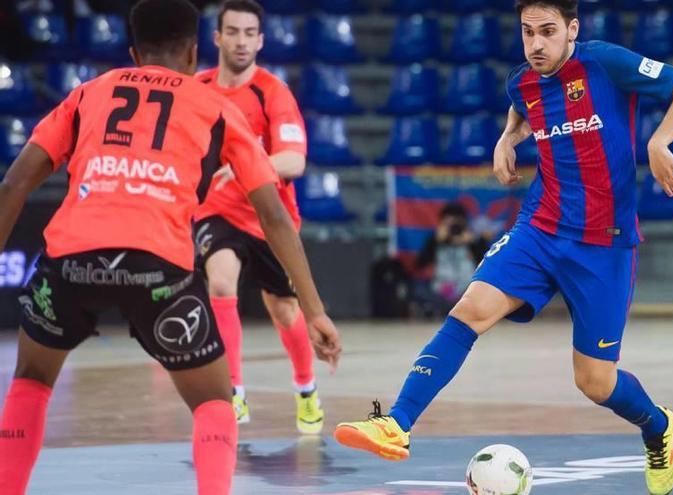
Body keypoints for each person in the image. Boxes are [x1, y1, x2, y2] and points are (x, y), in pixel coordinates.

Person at [334, 1, 673, 494]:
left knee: (595, 382)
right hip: (541, 228)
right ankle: (397, 423)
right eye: (527, 32)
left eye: (548, 31)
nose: (536, 44)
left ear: (571, 29)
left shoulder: (604, 62)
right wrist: (507, 138)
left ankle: (658, 426)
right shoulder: (522, 80)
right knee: (470, 310)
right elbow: (523, 104)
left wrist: (659, 143)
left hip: (603, 245)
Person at [0, 1, 341, 494]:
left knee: (31, 379)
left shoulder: (88, 93)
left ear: (135, 53)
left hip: (70, 259)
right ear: (192, 53)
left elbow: (13, 187)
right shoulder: (216, 106)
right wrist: (314, 310)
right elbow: (274, 215)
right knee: (214, 402)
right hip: (156, 264)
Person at [193, 0, 321, 432]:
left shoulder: (272, 91)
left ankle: (306, 390)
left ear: (261, 40)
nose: (242, 41)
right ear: (217, 37)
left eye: (250, 33)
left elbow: (295, 161)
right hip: (216, 211)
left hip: (269, 218)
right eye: (233, 32)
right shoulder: (198, 88)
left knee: (285, 311)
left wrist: (249, 165)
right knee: (221, 281)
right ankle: (234, 395)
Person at [413, 202, 490, 316]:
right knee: (418, 290)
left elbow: (488, 266)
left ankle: (453, 310)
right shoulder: (435, 240)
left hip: (468, 291)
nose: (454, 228)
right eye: (449, 224)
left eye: (457, 224)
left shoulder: (472, 240)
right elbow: (419, 265)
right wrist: (435, 242)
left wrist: (474, 244)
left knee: (488, 291)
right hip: (440, 291)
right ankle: (452, 310)